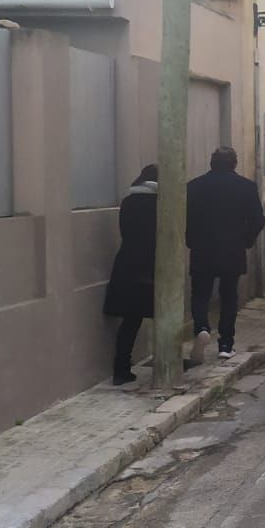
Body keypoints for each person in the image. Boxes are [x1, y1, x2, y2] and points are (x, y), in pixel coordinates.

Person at [186, 147, 265, 362]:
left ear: (211, 163)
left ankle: (201, 327)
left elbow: (183, 218)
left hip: (202, 249)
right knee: (229, 296)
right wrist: (245, 241)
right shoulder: (246, 187)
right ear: (234, 164)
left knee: (200, 293)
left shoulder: (193, 187)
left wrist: (191, 240)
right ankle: (226, 344)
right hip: (232, 250)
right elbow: (258, 220)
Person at [102, 165, 158, 386]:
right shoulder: (159, 205)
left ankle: (121, 368)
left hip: (127, 264)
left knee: (130, 320)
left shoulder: (128, 202)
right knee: (162, 316)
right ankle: (165, 364)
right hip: (152, 266)